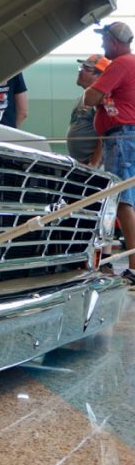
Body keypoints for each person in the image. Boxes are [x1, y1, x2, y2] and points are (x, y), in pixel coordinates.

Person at [84, 21, 135, 283]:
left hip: (122, 139)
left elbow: (89, 98)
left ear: (114, 41)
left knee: (123, 201)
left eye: (104, 40)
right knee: (125, 201)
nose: (102, 45)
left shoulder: (122, 63)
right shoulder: (127, 64)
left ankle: (134, 268)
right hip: (122, 138)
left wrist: (99, 96)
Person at [67, 54, 110, 165]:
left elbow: (106, 134)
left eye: (86, 69)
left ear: (100, 76)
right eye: (81, 67)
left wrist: (94, 164)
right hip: (80, 165)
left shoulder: (102, 99)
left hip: (92, 167)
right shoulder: (83, 97)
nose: (80, 71)